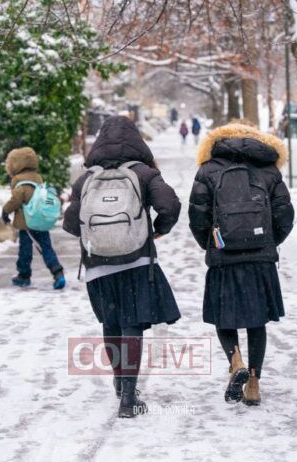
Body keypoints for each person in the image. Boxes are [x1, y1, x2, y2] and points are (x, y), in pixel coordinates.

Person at [63, 116, 181, 419]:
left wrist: (99, 237)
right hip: (136, 262)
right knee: (132, 325)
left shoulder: (86, 179)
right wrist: (157, 229)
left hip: (98, 266)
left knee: (111, 323)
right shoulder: (144, 173)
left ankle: (118, 380)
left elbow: (70, 223)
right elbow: (170, 205)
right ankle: (129, 396)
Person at [188, 121, 294, 406]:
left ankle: (235, 361)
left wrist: (212, 244)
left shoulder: (208, 170)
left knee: (224, 316)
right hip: (260, 259)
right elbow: (285, 215)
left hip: (224, 258)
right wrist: (267, 241)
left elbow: (197, 217)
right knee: (257, 320)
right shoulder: (268, 169)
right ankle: (254, 384)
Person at [1, 147, 66, 290]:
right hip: (40, 221)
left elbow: (16, 200)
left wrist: (5, 211)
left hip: (27, 224)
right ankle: (58, 273)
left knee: (25, 251)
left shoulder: (19, 181)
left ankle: (24, 276)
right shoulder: (38, 178)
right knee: (46, 248)